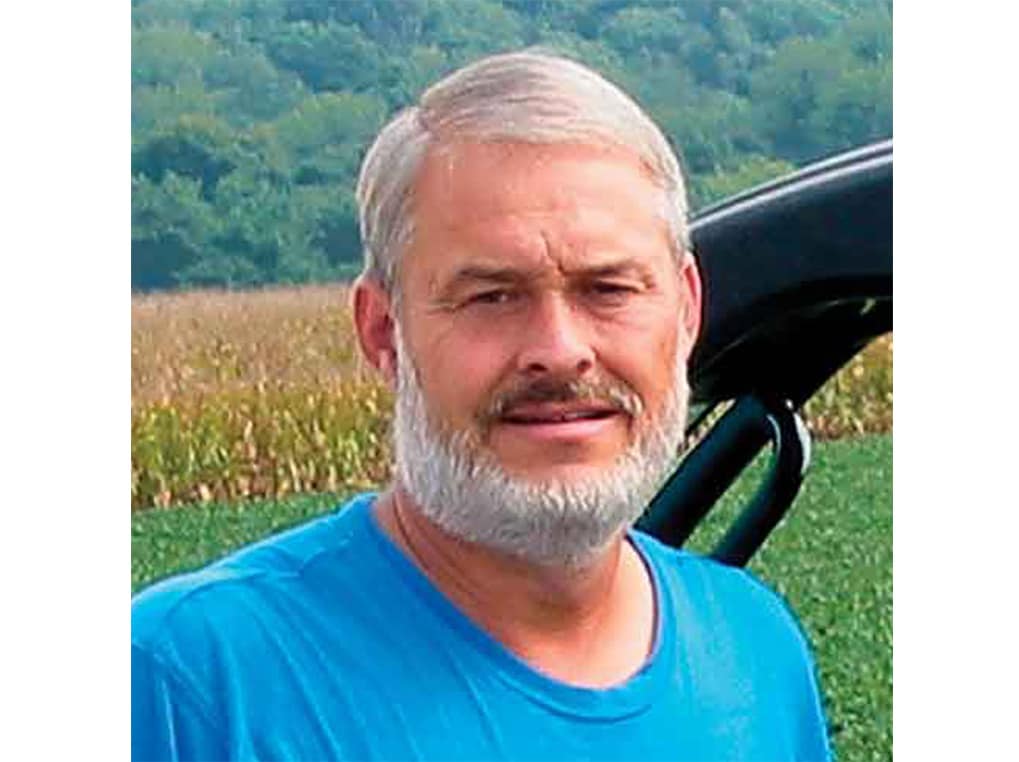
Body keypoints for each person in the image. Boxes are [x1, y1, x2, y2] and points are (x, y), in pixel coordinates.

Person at [132, 50, 832, 761]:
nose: (559, 351)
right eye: (492, 296)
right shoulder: (188, 686)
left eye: (608, 289)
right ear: (385, 332)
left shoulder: (753, 653)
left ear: (686, 312)